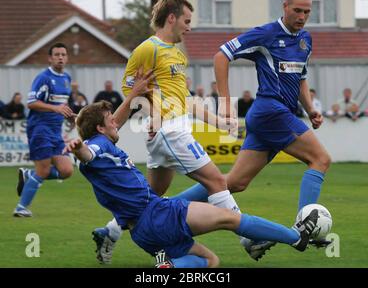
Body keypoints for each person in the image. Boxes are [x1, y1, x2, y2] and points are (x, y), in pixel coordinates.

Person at [64, 73, 319, 268]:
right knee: (228, 217)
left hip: (143, 234)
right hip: (156, 215)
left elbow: (108, 129)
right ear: (99, 129)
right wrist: (78, 149)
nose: (116, 122)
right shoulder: (96, 145)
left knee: (210, 261)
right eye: (110, 121)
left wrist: (135, 95)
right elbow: (89, 153)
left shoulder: (102, 143)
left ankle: (169, 266)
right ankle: (295, 237)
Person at [92, 0, 269, 264]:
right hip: (170, 131)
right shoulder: (147, 49)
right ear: (171, 18)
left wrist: (219, 122)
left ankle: (110, 232)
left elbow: (184, 100)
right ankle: (250, 238)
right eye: (186, 20)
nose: (190, 26)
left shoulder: (177, 54)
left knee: (150, 198)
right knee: (217, 181)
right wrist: (153, 114)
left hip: (168, 131)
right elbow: (131, 89)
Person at [174, 0, 331, 251]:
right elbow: (221, 55)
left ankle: (167, 207)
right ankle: (303, 228)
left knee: (234, 183)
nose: (302, 16)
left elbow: (300, 77)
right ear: (284, 7)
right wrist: (225, 103)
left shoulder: (305, 40)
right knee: (321, 159)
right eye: (297, 10)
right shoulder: (267, 33)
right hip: (271, 111)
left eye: (307, 12)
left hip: (276, 115)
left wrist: (311, 108)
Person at [13, 42, 75, 217]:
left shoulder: (67, 79)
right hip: (40, 129)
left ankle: (29, 175)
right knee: (44, 170)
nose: (60, 57)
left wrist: (69, 116)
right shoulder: (44, 78)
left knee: (66, 171)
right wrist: (55, 109)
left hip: (56, 131)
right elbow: (31, 103)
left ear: (67, 57)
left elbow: (62, 104)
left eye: (63, 54)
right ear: (50, 58)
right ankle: (21, 208)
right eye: (57, 54)